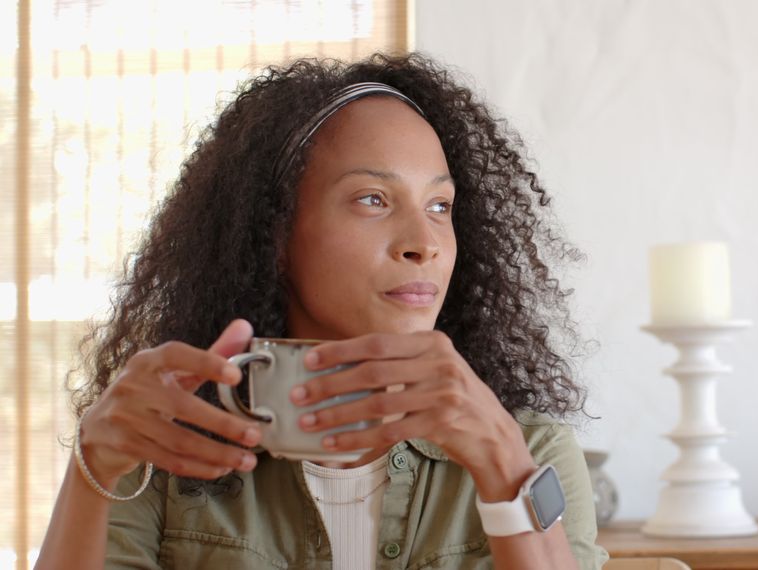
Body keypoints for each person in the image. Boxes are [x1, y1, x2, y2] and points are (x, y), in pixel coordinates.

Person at [37, 53, 607, 569]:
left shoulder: (531, 451)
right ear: (275, 232)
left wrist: (504, 470)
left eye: (440, 205)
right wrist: (94, 467)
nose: (425, 243)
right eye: (373, 199)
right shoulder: (164, 440)